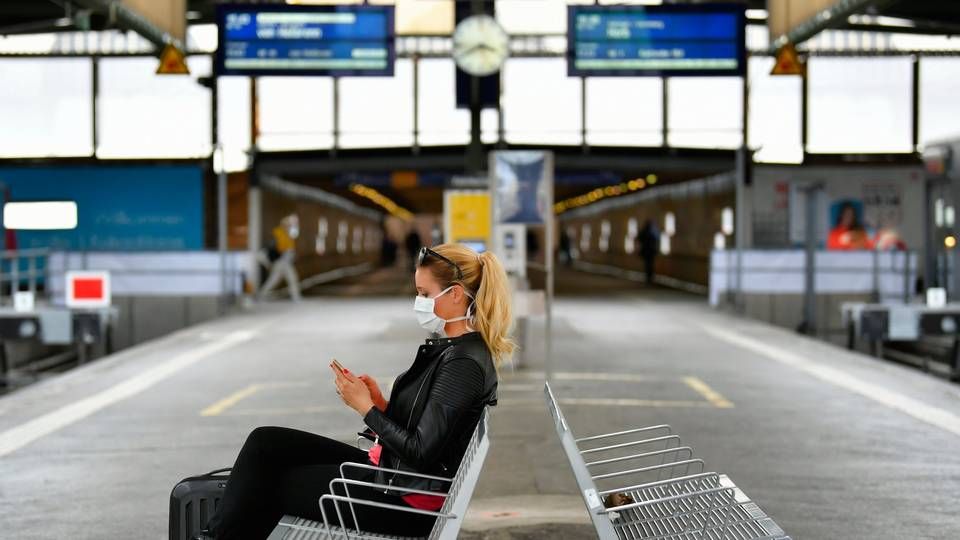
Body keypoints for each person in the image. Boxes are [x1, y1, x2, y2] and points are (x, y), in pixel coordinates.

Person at [199, 243, 513, 540]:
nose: (419, 302)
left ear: (456, 295)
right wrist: (381, 404)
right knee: (265, 442)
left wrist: (367, 410)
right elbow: (433, 432)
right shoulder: (457, 351)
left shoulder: (463, 363)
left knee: (269, 485)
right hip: (400, 477)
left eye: (424, 293)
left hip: (409, 501)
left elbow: (421, 450)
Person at [257, 215, 301, 302]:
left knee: (275, 280)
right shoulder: (279, 233)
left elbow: (292, 242)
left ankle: (261, 295)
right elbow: (279, 248)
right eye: (289, 224)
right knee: (290, 278)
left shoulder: (288, 234)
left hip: (285, 261)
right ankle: (296, 297)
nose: (290, 226)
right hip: (281, 261)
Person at [638, 219, 659, 285]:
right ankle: (650, 277)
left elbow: (639, 239)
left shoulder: (644, 231)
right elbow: (656, 239)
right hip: (651, 251)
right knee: (650, 264)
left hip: (647, 250)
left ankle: (649, 277)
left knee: (648, 264)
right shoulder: (653, 231)